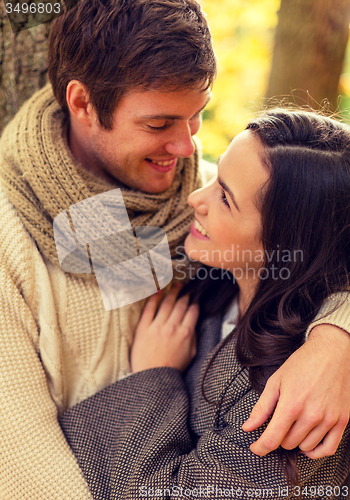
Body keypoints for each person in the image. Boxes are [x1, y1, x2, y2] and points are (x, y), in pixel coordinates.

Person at [0, 0, 349, 497]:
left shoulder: (214, 214)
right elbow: (28, 469)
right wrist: (155, 378)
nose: (188, 150)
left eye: (197, 116)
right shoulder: (13, 246)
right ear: (81, 104)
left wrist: (338, 339)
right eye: (159, 124)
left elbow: (321, 245)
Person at [60, 109, 350, 499]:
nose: (197, 197)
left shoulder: (295, 398)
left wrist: (153, 376)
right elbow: (69, 232)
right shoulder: (212, 274)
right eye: (215, 177)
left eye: (225, 199)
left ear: (284, 243)